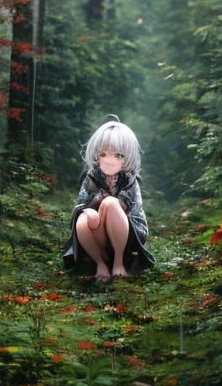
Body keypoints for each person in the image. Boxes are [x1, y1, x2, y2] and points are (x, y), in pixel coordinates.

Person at [63, 116, 155, 278]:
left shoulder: (129, 180)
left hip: (127, 234)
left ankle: (118, 262)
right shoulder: (92, 177)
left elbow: (127, 206)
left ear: (127, 157)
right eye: (104, 154)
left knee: (111, 204)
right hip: (98, 232)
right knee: (85, 217)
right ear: (97, 155)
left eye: (118, 155)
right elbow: (82, 204)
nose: (110, 160)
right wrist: (91, 208)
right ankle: (100, 263)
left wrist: (106, 202)